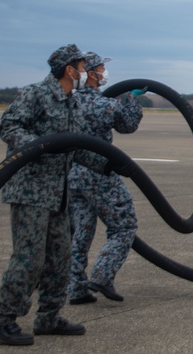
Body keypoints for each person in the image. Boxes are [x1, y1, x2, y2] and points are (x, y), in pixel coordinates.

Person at [0, 44, 95, 345]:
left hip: (59, 194)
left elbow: (80, 146)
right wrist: (39, 144)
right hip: (31, 191)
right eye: (83, 66)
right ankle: (2, 319)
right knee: (29, 259)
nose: (85, 72)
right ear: (69, 69)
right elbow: (9, 126)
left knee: (59, 258)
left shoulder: (73, 104)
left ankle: (49, 317)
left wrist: (111, 163)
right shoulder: (35, 94)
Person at [67, 52, 144, 306]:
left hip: (73, 176)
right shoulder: (104, 104)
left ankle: (75, 286)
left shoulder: (69, 102)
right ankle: (102, 274)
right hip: (100, 174)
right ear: (91, 73)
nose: (104, 72)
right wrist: (131, 101)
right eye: (101, 68)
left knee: (80, 233)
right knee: (124, 226)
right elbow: (128, 125)